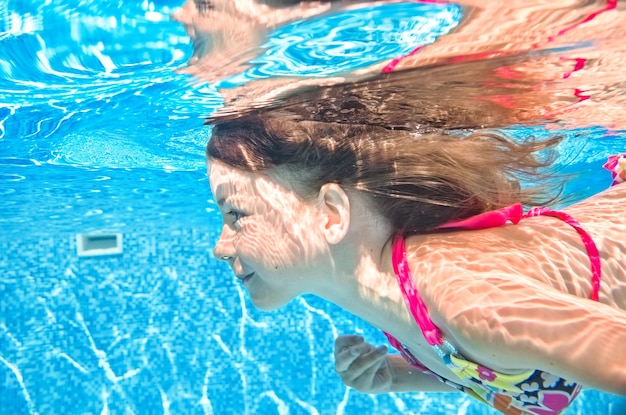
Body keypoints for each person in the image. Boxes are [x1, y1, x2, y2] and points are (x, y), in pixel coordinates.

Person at [204, 74, 626, 414]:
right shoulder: (392, 294)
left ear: (331, 214)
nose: (220, 248)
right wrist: (399, 375)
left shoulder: (467, 300)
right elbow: (498, 369)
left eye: (236, 215)